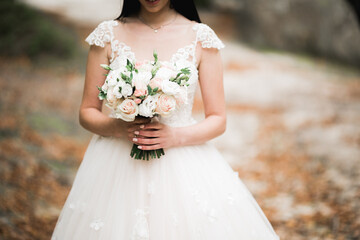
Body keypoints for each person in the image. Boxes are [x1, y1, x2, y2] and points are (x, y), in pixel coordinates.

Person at [51, 0, 280, 239]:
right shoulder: (108, 34)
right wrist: (117, 127)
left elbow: (218, 119)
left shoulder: (200, 37)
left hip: (181, 162)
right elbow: (87, 111)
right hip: (116, 162)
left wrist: (174, 136)